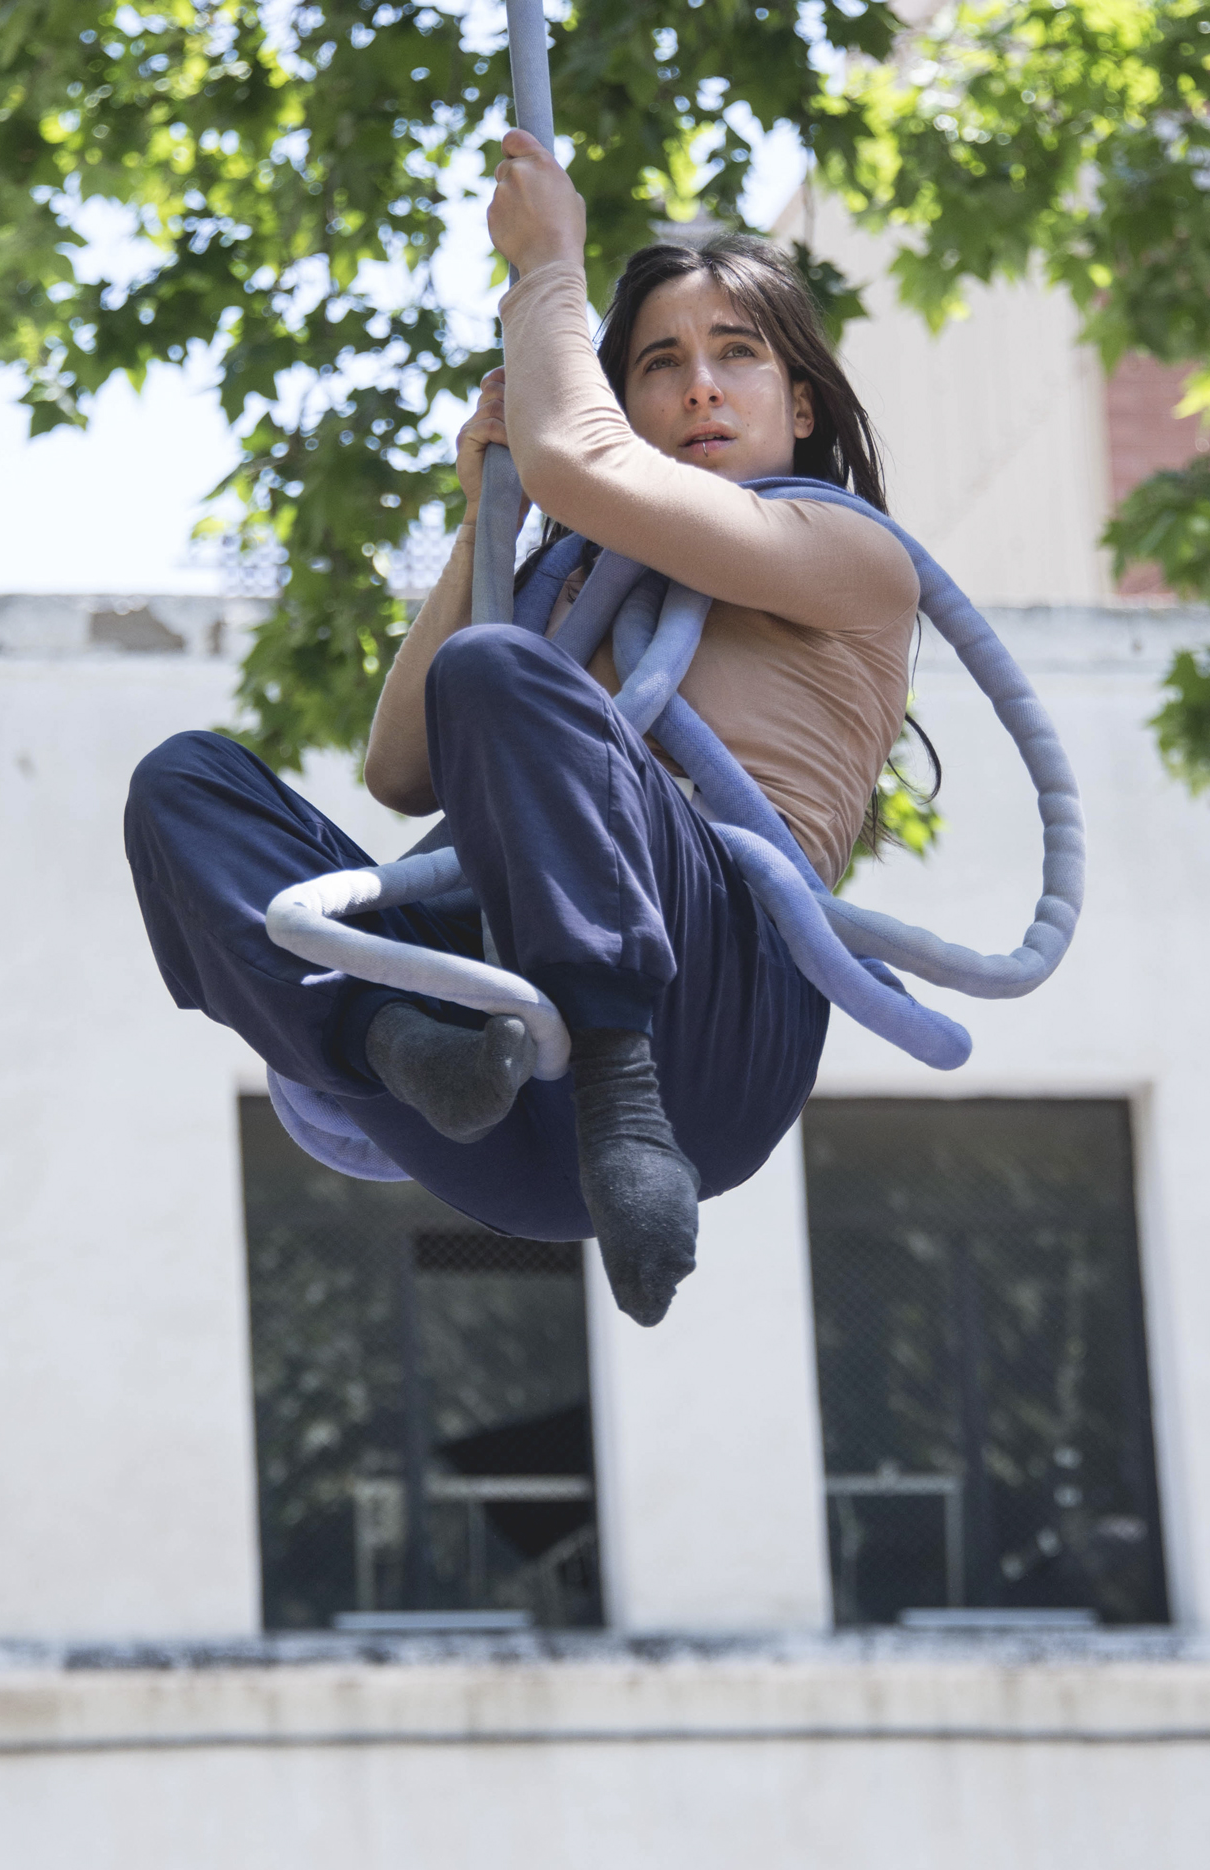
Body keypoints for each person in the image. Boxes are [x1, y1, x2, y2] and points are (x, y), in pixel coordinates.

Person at [124, 129, 919, 1327]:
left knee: (499, 670)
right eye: (660, 363)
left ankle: (616, 1081)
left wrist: (548, 265)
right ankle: (394, 1037)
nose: (700, 386)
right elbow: (403, 770)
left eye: (736, 353)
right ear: (625, 402)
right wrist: (481, 528)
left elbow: (575, 463)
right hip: (497, 1104)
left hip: (705, 1039)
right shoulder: (571, 582)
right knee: (183, 783)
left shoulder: (852, 554)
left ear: (800, 403)